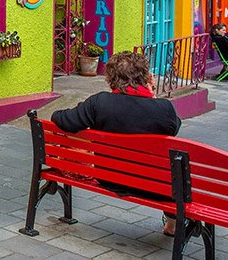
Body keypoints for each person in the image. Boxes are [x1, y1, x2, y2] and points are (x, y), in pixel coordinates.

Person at [51, 51, 181, 236]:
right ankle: (172, 225)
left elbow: (65, 120)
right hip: (156, 187)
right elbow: (174, 127)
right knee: (175, 177)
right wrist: (150, 96)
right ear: (145, 77)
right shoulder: (164, 108)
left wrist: (57, 112)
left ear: (111, 77)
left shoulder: (100, 102)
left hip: (110, 179)